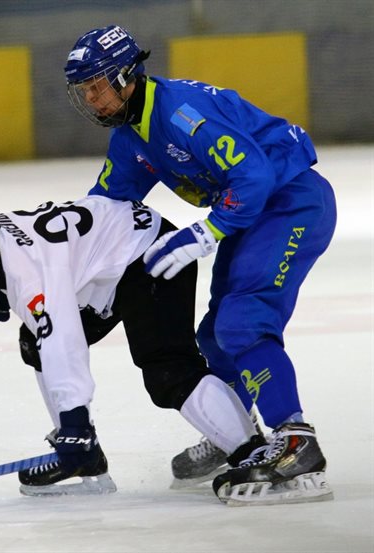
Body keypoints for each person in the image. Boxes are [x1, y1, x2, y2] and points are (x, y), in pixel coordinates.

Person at [63, 25, 336, 504]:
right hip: (254, 211)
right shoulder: (131, 138)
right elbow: (103, 212)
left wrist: (208, 232)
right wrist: (46, 266)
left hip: (289, 201)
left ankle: (296, 442)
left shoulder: (182, 114)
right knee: (214, 334)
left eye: (96, 87)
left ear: (127, 76)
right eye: (84, 91)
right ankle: (238, 433)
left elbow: (253, 173)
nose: (91, 100)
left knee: (243, 321)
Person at [0, 198, 265, 501]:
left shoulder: (31, 275)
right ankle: (86, 460)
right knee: (33, 341)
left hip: (149, 252)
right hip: (107, 266)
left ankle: (255, 455)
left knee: (168, 370)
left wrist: (75, 421)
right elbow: (2, 270)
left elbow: (62, 343)